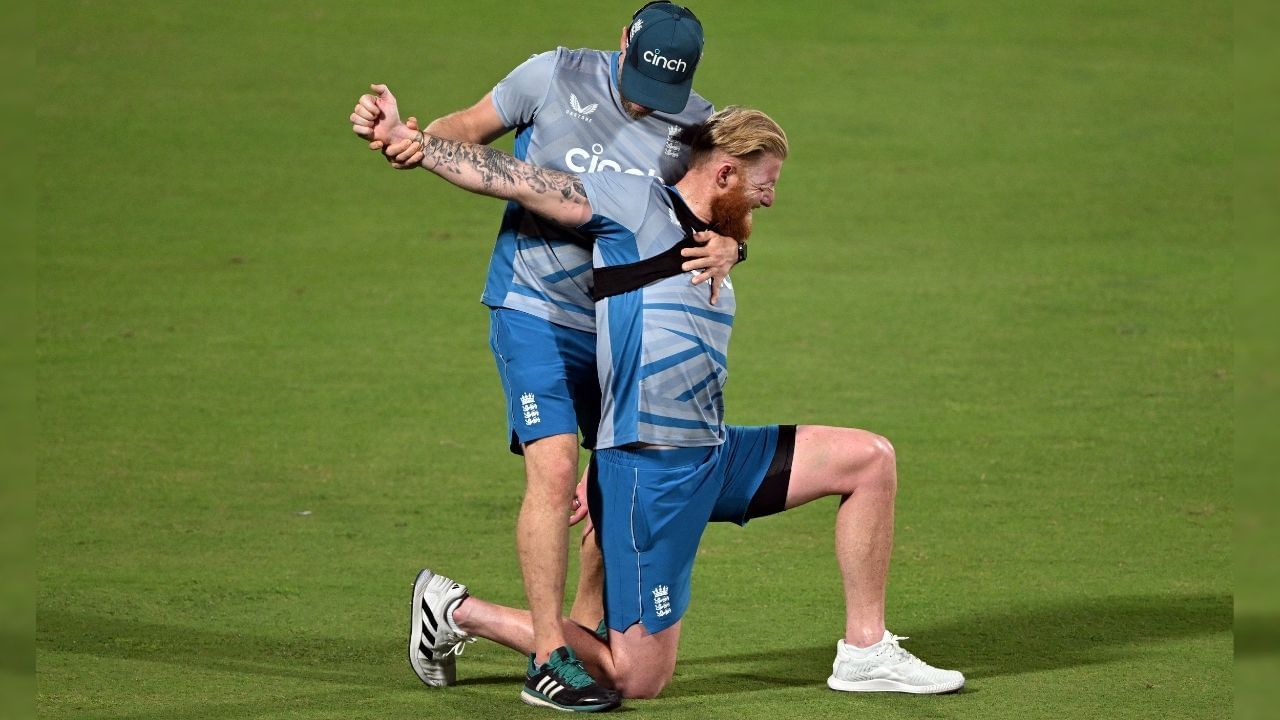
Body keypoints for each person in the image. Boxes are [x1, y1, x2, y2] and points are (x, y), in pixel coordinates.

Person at [355, 88, 966, 700]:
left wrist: (736, 246)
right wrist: (408, 142)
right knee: (638, 678)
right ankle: (456, 611)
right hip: (650, 477)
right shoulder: (630, 207)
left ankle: (865, 651)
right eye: (765, 184)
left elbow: (705, 240)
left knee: (870, 459)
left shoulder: (718, 242)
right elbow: (513, 178)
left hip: (715, 453)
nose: (771, 198)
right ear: (725, 172)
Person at [351, 2, 742, 711]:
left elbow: (722, 211)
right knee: (557, 465)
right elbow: (463, 131)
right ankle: (547, 657)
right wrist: (415, 141)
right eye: (638, 80)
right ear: (624, 42)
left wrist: (735, 246)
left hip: (620, 323)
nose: (642, 104)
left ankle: (578, 632)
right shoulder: (552, 74)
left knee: (609, 486)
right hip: (531, 308)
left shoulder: (699, 128)